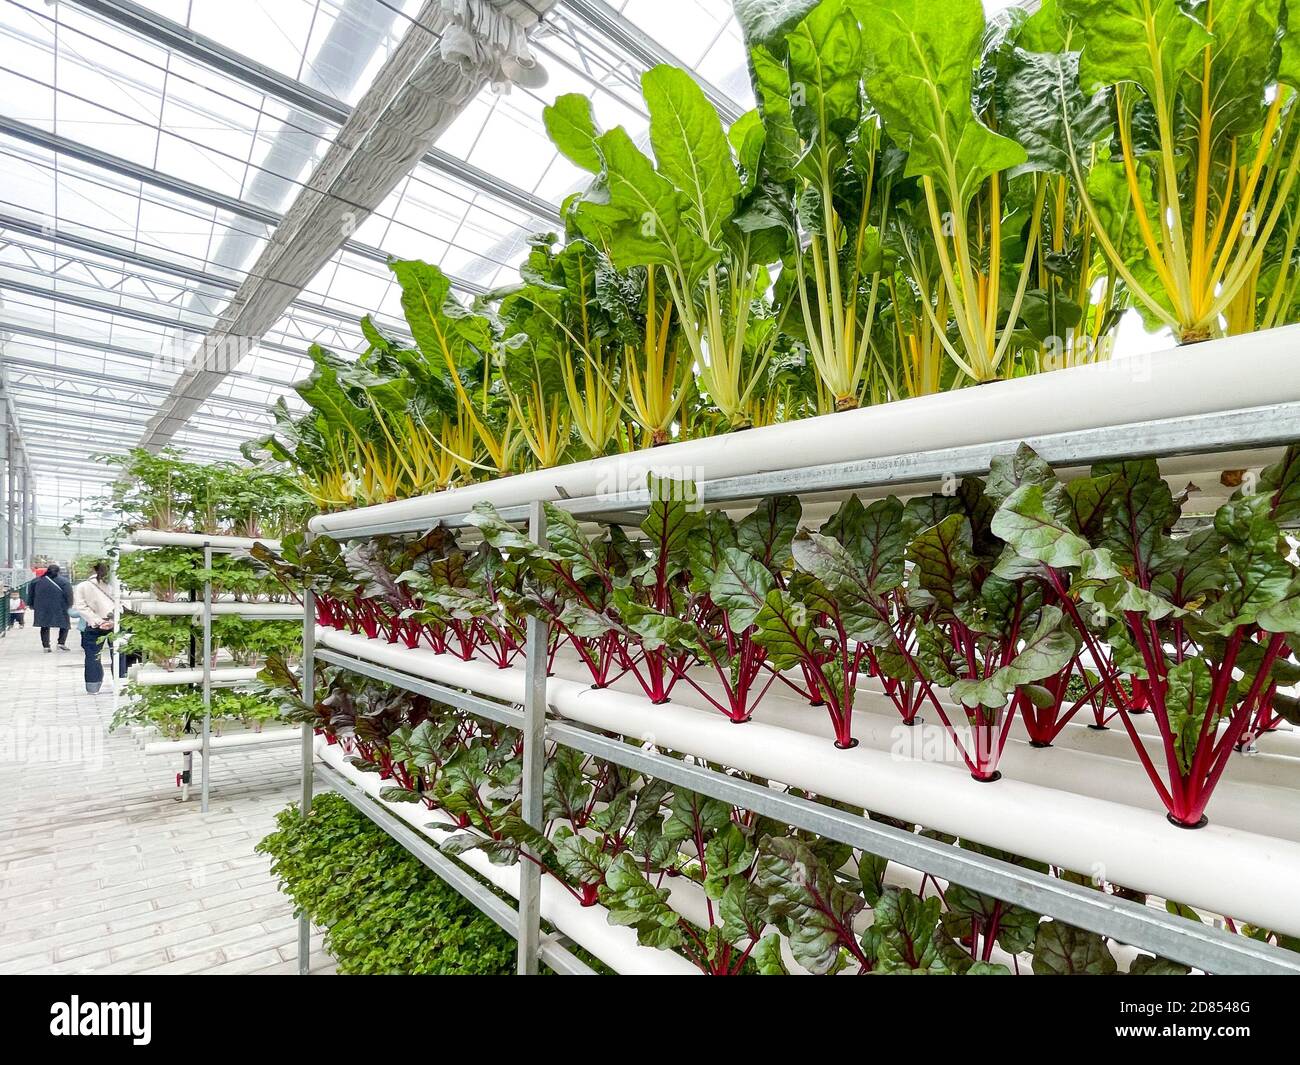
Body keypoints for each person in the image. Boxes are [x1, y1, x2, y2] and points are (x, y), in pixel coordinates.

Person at [73, 563, 116, 694]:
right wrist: (113, 621)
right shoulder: (115, 585)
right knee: (118, 654)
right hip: (115, 624)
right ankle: (121, 683)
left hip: (94, 625)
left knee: (92, 656)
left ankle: (93, 686)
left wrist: (97, 621)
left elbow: (81, 607)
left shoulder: (82, 586)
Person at [32, 564, 73, 653]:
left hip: (42, 607)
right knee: (65, 624)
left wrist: (32, 605)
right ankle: (61, 643)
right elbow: (69, 595)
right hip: (60, 606)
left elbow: (32, 595)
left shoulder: (37, 581)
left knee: (45, 626)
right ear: (58, 572)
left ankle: (46, 646)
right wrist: (70, 605)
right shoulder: (64, 581)